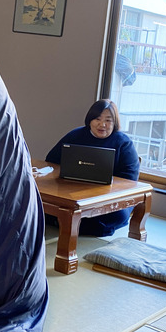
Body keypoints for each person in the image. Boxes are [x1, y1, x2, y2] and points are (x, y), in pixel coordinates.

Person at [45, 99, 140, 236]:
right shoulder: (75, 135)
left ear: (115, 123)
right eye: (97, 119)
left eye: (108, 120)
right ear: (90, 120)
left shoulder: (123, 143)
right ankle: (72, 223)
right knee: (44, 203)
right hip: (73, 190)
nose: (102, 124)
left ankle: (62, 222)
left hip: (108, 196)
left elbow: (130, 178)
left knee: (116, 215)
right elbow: (51, 160)